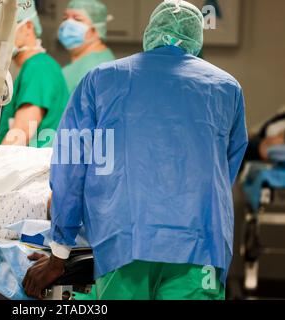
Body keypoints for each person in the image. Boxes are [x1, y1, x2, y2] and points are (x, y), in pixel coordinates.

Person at [23, 0, 248, 300]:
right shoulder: (225, 89)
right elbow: (224, 171)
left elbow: (70, 167)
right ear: (198, 38)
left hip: (126, 244)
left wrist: (59, 254)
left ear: (150, 32)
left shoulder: (102, 80)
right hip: (200, 246)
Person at [0, 1, 69, 148]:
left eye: (5, 28)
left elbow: (22, 131)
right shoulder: (32, 67)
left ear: (28, 27)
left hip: (35, 167)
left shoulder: (39, 68)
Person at [58, 0, 115, 95]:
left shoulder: (94, 68)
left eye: (77, 19)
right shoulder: (101, 58)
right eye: (65, 18)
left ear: (94, 30)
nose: (68, 24)